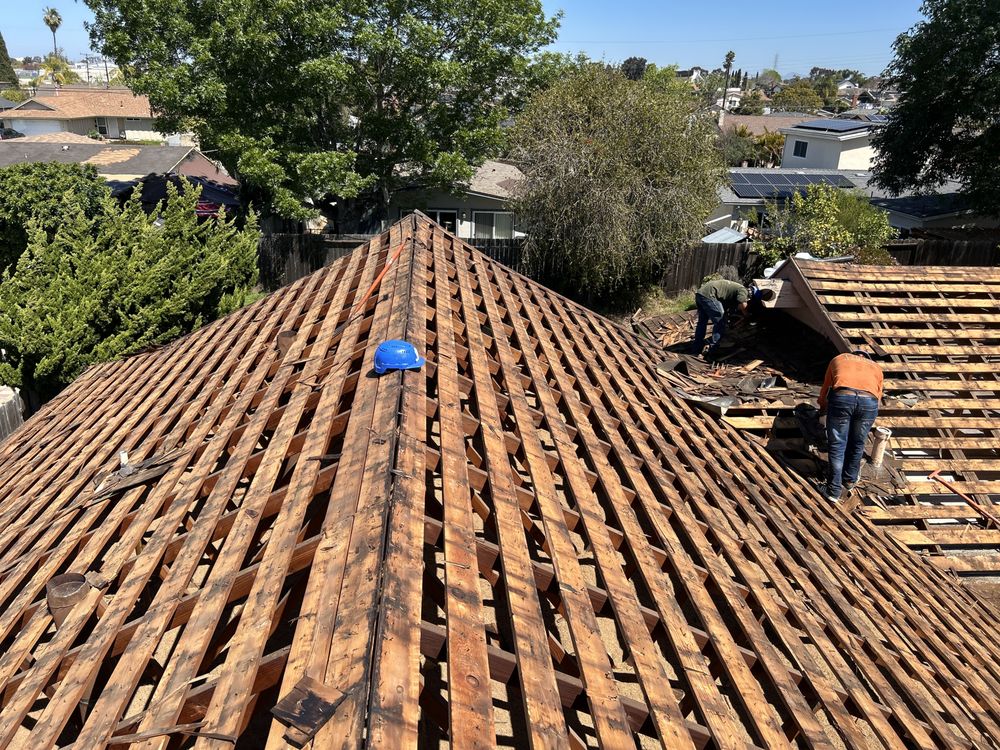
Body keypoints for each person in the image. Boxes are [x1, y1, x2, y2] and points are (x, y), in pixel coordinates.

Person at [818, 349, 883, 502]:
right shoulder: (876, 367)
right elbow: (878, 396)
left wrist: (822, 408)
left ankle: (833, 490)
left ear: (853, 355)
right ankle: (849, 480)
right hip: (869, 402)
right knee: (858, 443)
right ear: (866, 358)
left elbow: (827, 388)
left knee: (838, 445)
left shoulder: (839, 359)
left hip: (843, 397)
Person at [690, 279, 753, 358]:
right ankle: (713, 350)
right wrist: (746, 314)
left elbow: (727, 308)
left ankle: (696, 349)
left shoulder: (732, 293)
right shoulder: (743, 290)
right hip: (709, 295)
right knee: (720, 322)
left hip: (700, 294)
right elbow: (742, 303)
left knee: (702, 322)